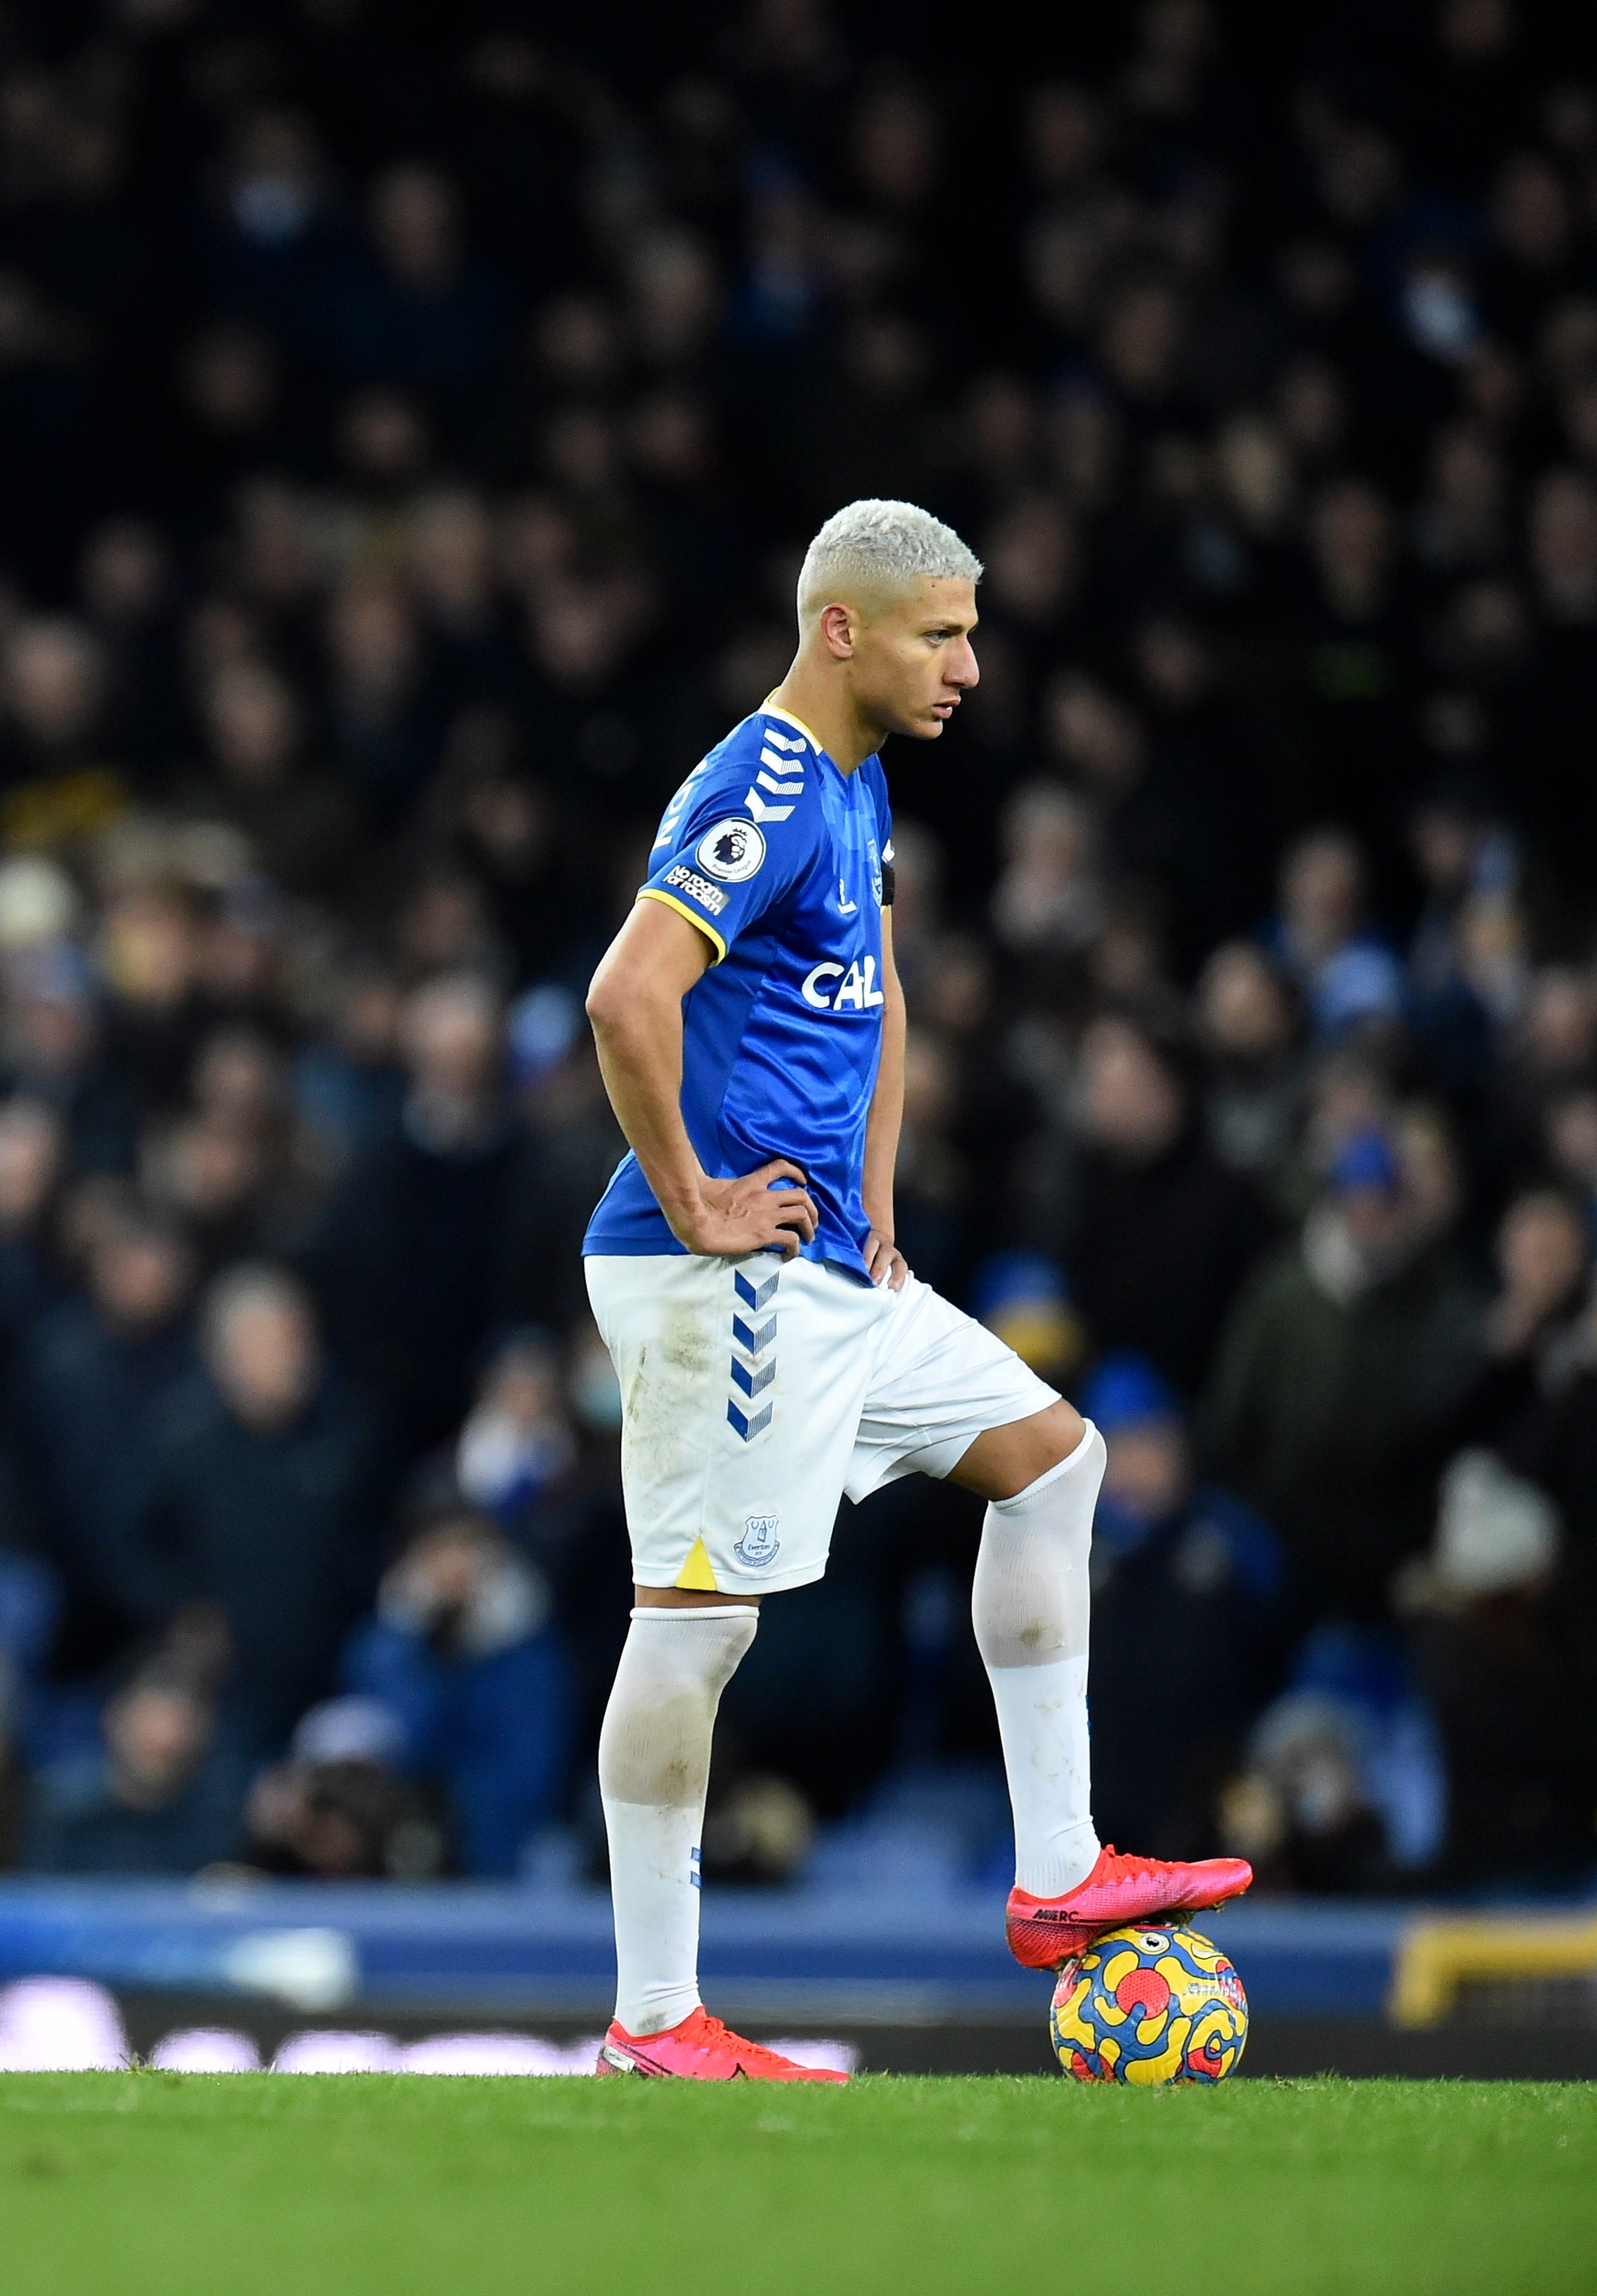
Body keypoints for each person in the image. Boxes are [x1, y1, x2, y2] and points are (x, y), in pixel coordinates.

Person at [576, 500, 1247, 2083]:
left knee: (1052, 1458)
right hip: (717, 1270)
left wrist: (876, 1197)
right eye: (940, 632)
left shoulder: (857, 784)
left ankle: (1056, 1868)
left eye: (967, 628)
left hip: (828, 1267)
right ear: (840, 630)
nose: (967, 662)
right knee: (693, 1624)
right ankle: (651, 2021)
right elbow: (625, 993)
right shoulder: (758, 782)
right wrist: (691, 1196)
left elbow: (872, 1003)